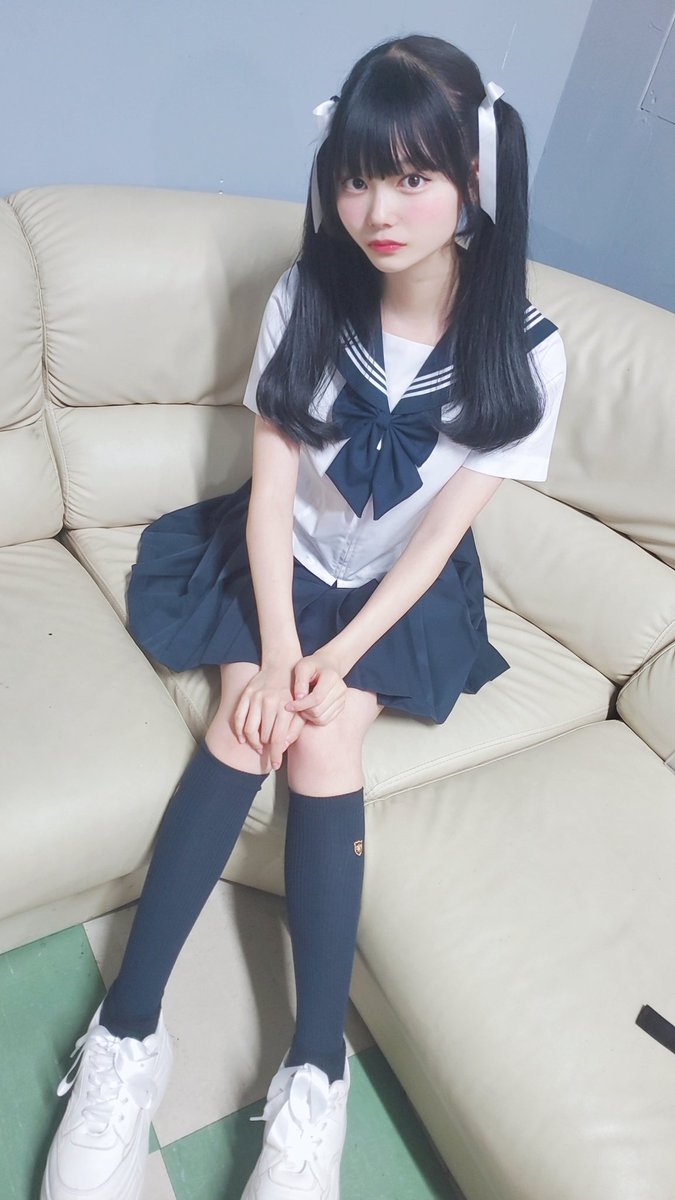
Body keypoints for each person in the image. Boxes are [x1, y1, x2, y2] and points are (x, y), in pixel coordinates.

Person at [40, 32, 566, 1200]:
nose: (378, 210)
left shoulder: (530, 351)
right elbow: (271, 492)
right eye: (357, 176)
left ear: (475, 179)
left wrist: (338, 659)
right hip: (274, 562)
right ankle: (129, 1036)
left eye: (413, 176)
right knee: (249, 724)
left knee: (324, 737)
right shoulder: (305, 294)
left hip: (394, 596)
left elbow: (440, 537)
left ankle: (313, 1082)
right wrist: (279, 653)